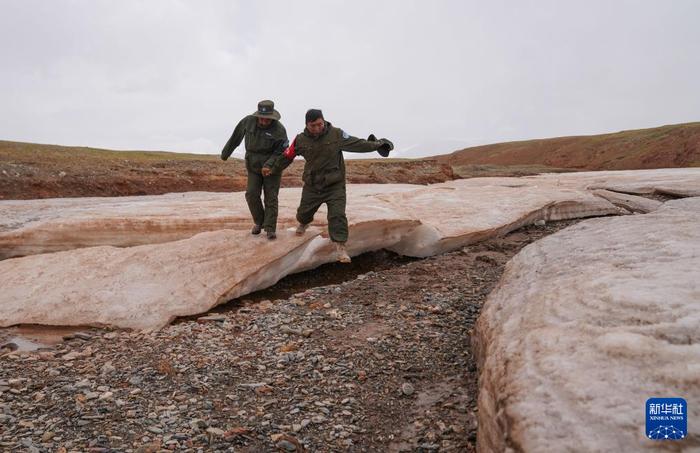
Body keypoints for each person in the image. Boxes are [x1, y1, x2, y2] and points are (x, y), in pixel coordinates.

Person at [271, 108, 393, 262]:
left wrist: (377, 144)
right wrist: (273, 170)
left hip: (335, 185)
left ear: (323, 121)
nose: (317, 128)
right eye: (313, 125)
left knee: (337, 215)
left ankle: (340, 247)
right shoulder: (300, 140)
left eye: (319, 124)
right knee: (303, 213)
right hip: (313, 185)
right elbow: (287, 156)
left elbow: (357, 144)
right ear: (306, 125)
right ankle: (303, 223)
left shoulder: (336, 134)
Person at [220, 100, 289, 240]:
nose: (264, 121)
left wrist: (269, 165)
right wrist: (225, 153)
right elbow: (235, 137)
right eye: (261, 117)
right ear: (258, 115)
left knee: (270, 197)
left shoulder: (279, 130)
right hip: (253, 165)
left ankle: (270, 228)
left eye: (267, 118)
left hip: (272, 167)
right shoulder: (248, 122)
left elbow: (281, 151)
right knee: (251, 194)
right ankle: (259, 222)